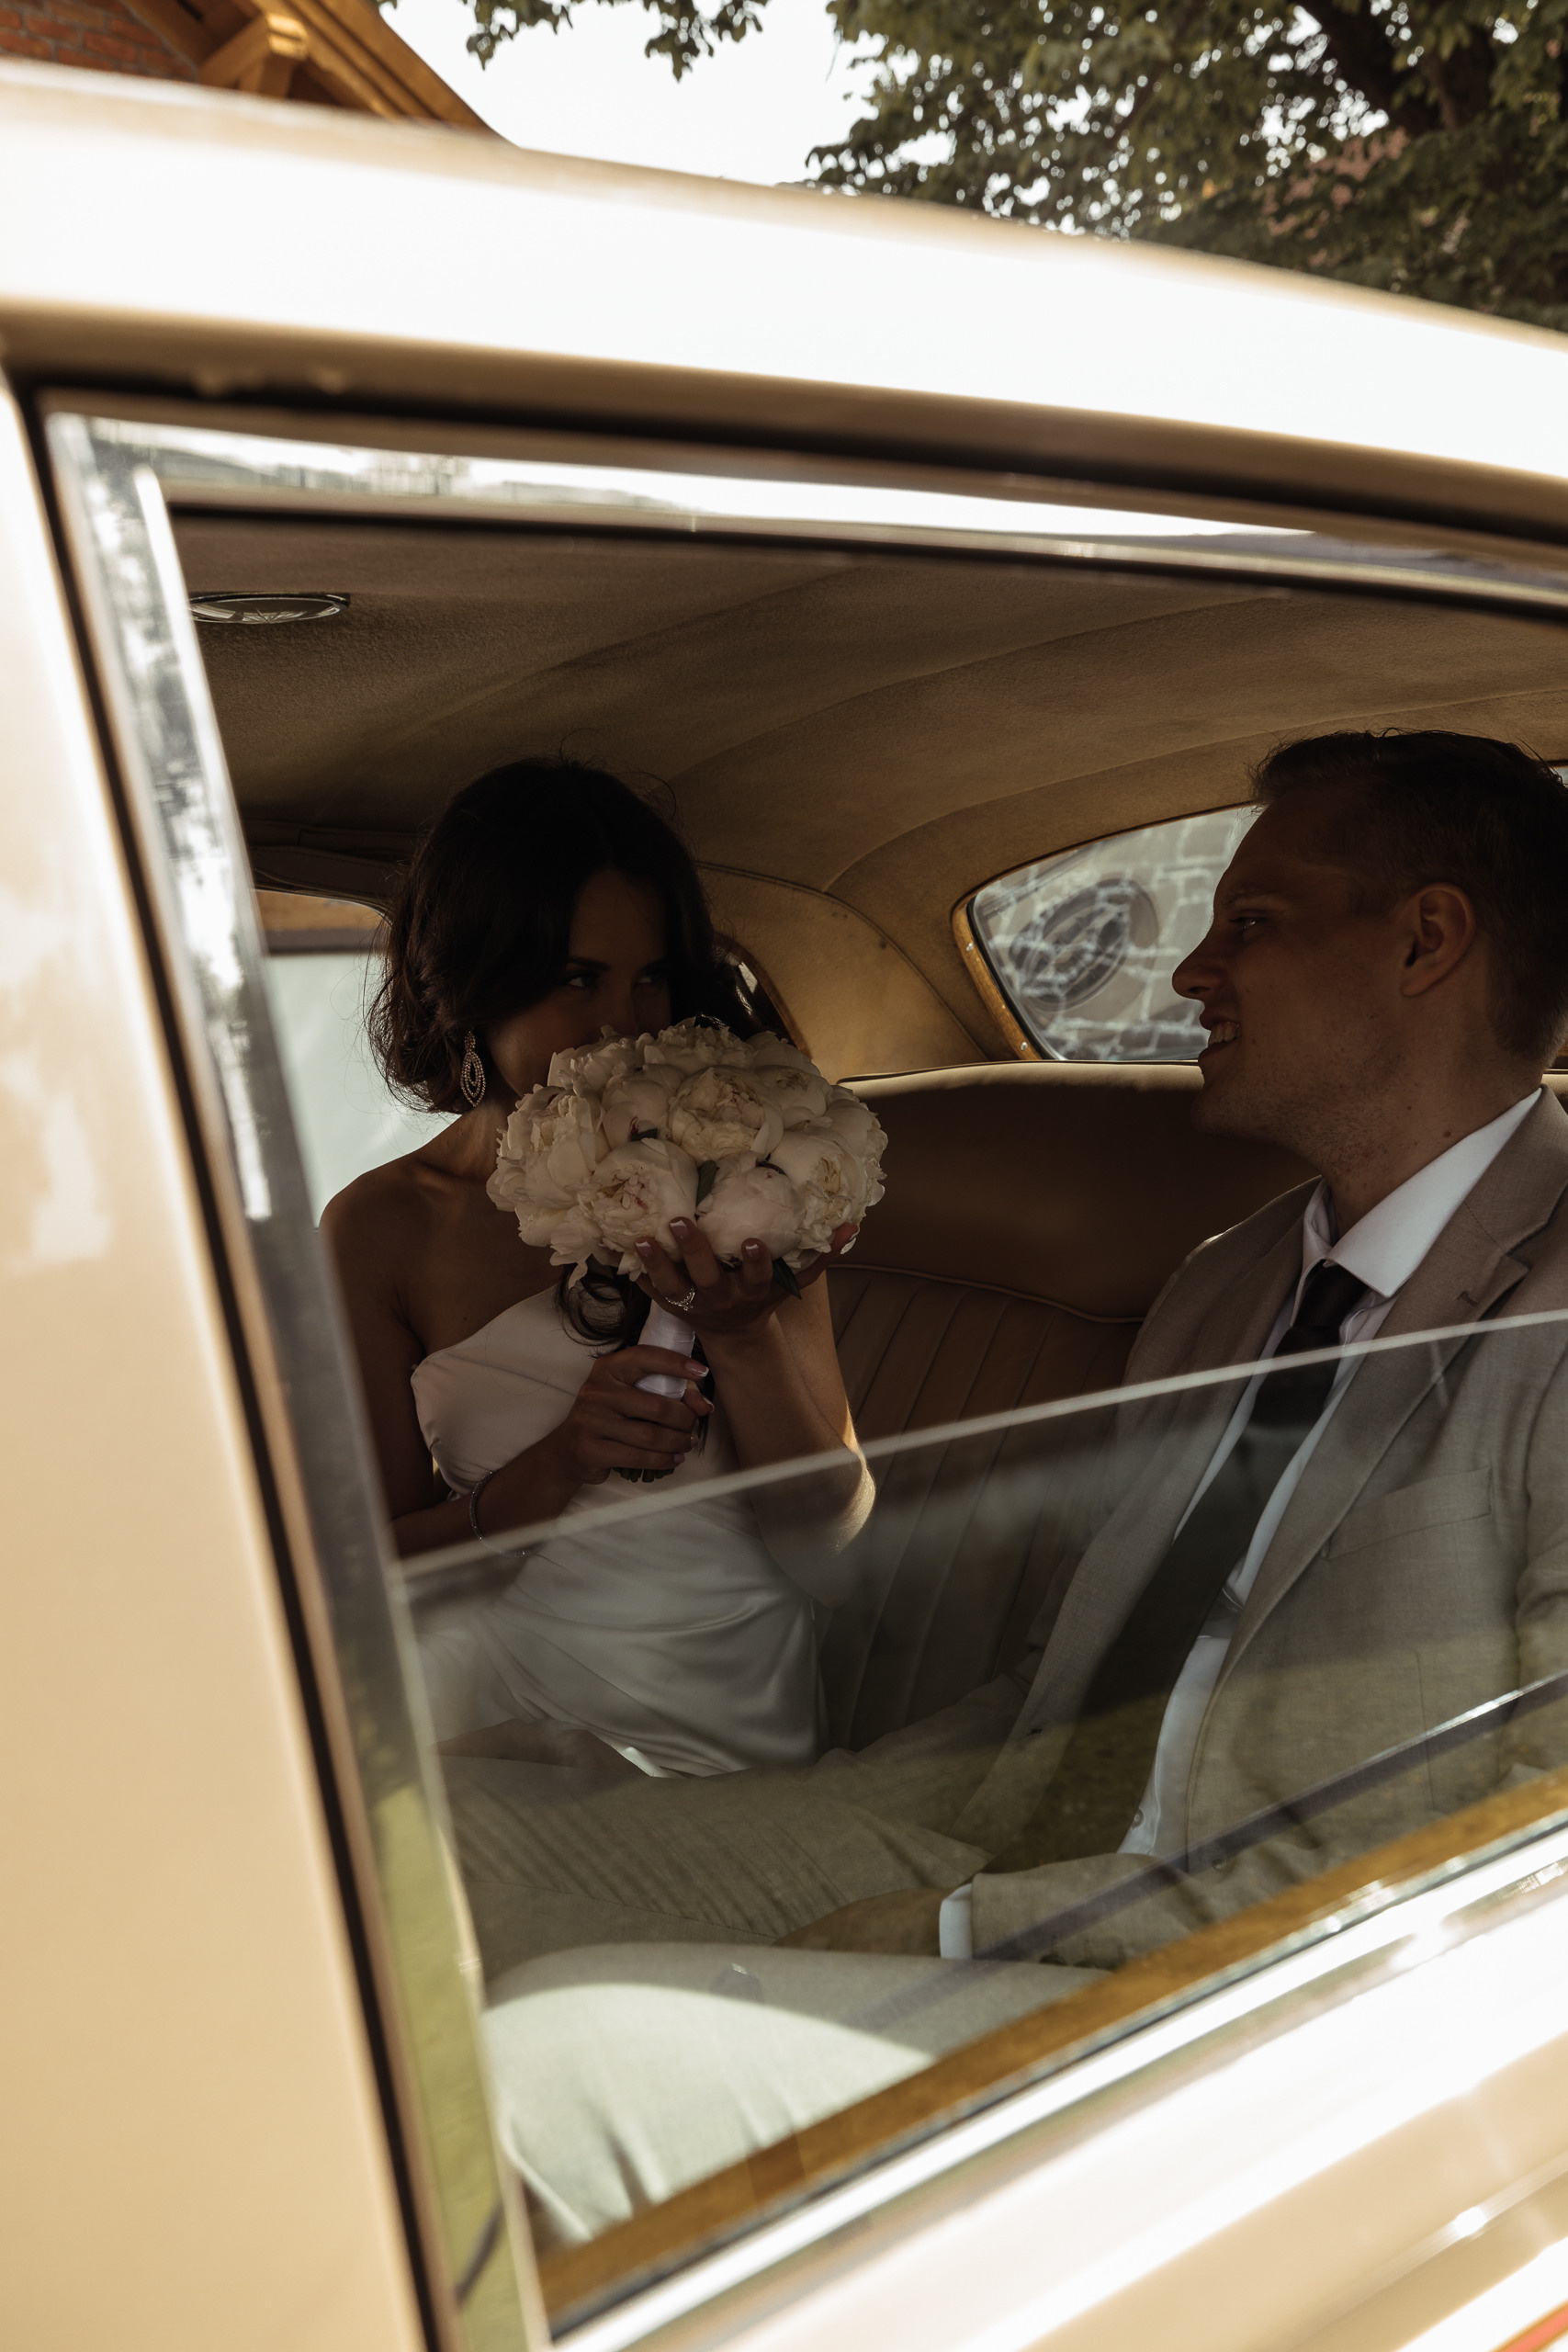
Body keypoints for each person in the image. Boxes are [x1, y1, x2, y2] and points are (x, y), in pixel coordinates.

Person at [445, 729, 1568, 2245]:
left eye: (1250, 924)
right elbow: (1068, 1666)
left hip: (1261, 1993)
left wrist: (967, 1924)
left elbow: (1510, 1857)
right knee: (413, 1860)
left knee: (538, 2077)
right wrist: (797, 1814)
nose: (1191, 974)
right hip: (995, 1817)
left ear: (1426, 942)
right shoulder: (1227, 1282)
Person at [325, 758, 870, 1781]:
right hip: (482, 1699)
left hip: (712, 1745)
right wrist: (560, 1463)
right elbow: (374, 1580)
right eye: (577, 979)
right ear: (473, 984)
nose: (626, 1024)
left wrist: (743, 1336)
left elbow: (834, 1560)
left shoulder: (745, 1174)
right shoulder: (381, 1228)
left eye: (650, 977)